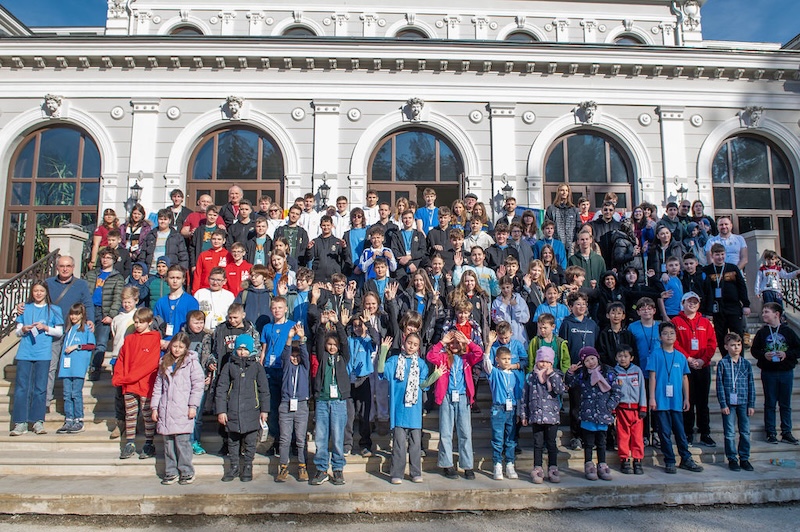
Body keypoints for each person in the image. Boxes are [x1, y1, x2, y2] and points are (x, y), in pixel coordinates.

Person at [378, 333, 442, 484]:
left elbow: (422, 385)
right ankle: (397, 474)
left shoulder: (421, 364)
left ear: (418, 348)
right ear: (404, 343)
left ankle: (415, 472)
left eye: (415, 344)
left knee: (415, 443)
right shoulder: (394, 361)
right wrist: (383, 350)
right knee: (399, 443)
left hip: (413, 409)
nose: (411, 346)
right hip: (398, 408)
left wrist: (435, 376)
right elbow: (381, 370)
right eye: (409, 343)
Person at [647, 322, 704, 474]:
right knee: (664, 432)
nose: (669, 336)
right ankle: (669, 460)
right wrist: (652, 398)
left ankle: (686, 458)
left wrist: (687, 398)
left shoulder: (680, 357)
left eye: (672, 333)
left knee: (680, 431)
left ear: (676, 336)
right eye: (665, 333)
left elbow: (685, 378)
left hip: (677, 401)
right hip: (661, 400)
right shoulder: (656, 354)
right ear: (660, 337)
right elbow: (652, 377)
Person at [427, 330, 483, 480]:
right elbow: (430, 356)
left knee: (465, 432)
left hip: (463, 397)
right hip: (447, 397)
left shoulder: (466, 358)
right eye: (452, 342)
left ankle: (467, 465)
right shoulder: (444, 357)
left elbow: (479, 353)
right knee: (446, 431)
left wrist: (468, 341)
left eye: (457, 342)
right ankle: (447, 464)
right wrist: (442, 342)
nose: (455, 345)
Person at [10, 282, 64, 437]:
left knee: (40, 388)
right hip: (25, 353)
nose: (38, 293)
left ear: (46, 292)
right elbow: (17, 331)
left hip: (43, 353)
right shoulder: (25, 308)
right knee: (22, 388)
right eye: (35, 291)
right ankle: (20, 422)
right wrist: (24, 329)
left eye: (41, 291)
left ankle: (37, 421)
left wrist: (46, 328)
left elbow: (59, 331)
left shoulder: (54, 309)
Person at [150, 332, 204, 485]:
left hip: (183, 408)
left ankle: (186, 471)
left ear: (186, 347)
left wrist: (193, 405)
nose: (177, 350)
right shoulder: (164, 362)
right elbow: (158, 387)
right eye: (174, 346)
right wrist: (155, 407)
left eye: (181, 347)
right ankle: (171, 471)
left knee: (182, 442)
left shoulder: (191, 362)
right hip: (166, 409)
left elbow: (198, 385)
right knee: (168, 444)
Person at [216, 334, 270, 482]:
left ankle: (247, 466)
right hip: (232, 410)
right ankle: (233, 467)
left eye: (246, 349)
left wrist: (264, 410)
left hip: (252, 410)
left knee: (250, 441)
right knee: (233, 442)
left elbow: (264, 390)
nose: (242, 352)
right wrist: (221, 410)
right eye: (240, 349)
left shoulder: (257, 367)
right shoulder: (229, 366)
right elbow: (221, 389)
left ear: (251, 350)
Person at [566, 346, 621, 481]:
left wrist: (610, 406)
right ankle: (589, 464)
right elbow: (571, 384)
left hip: (603, 413)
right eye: (587, 360)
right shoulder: (583, 375)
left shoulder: (608, 373)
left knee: (601, 442)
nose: (591, 362)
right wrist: (570, 373)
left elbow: (617, 391)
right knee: (589, 443)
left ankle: (602, 464)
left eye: (592, 358)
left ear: (597, 357)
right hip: (587, 414)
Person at [112, 307, 161, 460]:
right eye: (136, 322)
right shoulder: (130, 339)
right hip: (129, 384)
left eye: (141, 322)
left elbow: (151, 363)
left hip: (145, 383)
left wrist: (128, 378)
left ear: (149, 322)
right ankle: (130, 442)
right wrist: (118, 376)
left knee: (147, 414)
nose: (138, 325)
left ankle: (149, 442)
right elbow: (121, 358)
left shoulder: (154, 337)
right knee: (131, 414)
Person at [671, 291, 718, 447]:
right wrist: (688, 358)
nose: (692, 304)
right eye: (688, 301)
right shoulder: (676, 321)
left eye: (695, 302)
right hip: (685, 367)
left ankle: (705, 433)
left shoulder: (705, 322)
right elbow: (675, 343)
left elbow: (712, 344)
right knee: (687, 401)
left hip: (702, 366)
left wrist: (703, 360)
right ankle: (688, 433)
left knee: (703, 402)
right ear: (683, 303)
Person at [750, 302, 800, 445]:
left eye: (767, 312)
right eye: (763, 311)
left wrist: (786, 354)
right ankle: (771, 432)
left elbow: (798, 349)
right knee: (770, 403)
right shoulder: (762, 332)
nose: (764, 314)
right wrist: (764, 355)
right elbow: (754, 350)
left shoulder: (788, 331)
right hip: (769, 372)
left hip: (786, 372)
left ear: (776, 314)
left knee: (785, 404)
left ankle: (786, 431)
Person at [310, 312, 350, 486]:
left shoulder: (343, 358)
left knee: (338, 436)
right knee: (320, 436)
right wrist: (322, 325)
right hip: (322, 401)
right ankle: (321, 469)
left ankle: (338, 468)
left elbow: (345, 343)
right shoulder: (323, 356)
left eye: (335, 345)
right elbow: (318, 343)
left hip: (339, 401)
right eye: (329, 344)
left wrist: (338, 324)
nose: (332, 347)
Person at [520, 346, 565, 484]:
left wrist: (551, 375)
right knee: (538, 444)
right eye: (541, 361)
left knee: (551, 444)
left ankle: (553, 467)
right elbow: (524, 396)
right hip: (536, 415)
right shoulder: (531, 377)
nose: (543, 364)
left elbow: (560, 390)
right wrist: (523, 414)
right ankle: (537, 468)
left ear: (551, 363)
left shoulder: (556, 376)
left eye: (547, 361)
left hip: (551, 417)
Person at [482, 334, 522, 481]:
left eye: (509, 359)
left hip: (512, 409)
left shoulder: (515, 375)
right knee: (498, 438)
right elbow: (486, 362)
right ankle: (497, 464)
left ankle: (510, 464)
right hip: (498, 409)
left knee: (511, 439)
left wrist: (519, 412)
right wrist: (489, 345)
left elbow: (517, 394)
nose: (507, 362)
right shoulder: (495, 373)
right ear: (497, 360)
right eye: (504, 359)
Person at [275, 324, 311, 483]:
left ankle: (302, 466)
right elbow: (285, 354)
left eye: (298, 356)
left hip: (302, 405)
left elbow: (304, 353)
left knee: (301, 438)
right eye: (293, 355)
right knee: (284, 438)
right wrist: (290, 338)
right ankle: (283, 466)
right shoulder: (287, 366)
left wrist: (302, 339)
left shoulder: (304, 367)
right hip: (286, 404)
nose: (295, 358)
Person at [715, 333, 756, 472]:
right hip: (729, 403)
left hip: (743, 401)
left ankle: (744, 458)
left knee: (745, 431)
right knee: (730, 432)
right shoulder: (723, 363)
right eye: (732, 345)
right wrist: (723, 404)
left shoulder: (746, 364)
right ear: (726, 347)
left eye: (738, 345)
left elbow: (751, 384)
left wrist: (751, 404)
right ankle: (732, 458)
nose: (736, 347)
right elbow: (719, 385)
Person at [55, 303, 95, 435]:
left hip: (78, 367)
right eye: (72, 314)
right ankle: (69, 419)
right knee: (67, 394)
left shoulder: (86, 329)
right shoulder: (69, 330)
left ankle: (79, 419)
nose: (73, 316)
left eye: (77, 314)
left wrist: (77, 346)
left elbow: (91, 345)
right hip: (67, 366)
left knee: (75, 393)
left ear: (82, 315)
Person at [85, 247, 124, 381]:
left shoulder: (117, 277)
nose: (105, 260)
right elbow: (84, 293)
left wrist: (112, 315)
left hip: (104, 313)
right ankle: (86, 366)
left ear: (113, 260)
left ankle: (95, 368)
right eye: (103, 257)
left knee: (101, 343)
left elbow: (118, 298)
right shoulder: (91, 275)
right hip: (90, 311)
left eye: (108, 257)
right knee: (87, 341)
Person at [704, 243, 750, 356]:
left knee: (737, 334)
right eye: (717, 254)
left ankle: (739, 359)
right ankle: (726, 359)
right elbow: (705, 291)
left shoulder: (733, 268)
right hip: (717, 308)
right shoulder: (707, 270)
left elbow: (742, 287)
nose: (720, 257)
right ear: (712, 255)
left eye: (722, 254)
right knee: (721, 335)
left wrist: (746, 304)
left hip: (733, 307)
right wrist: (708, 311)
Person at [182, 310, 215, 455]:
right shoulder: (182, 337)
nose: (199, 325)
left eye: (201, 322)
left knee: (197, 415)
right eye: (196, 322)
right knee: (184, 414)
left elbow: (210, 356)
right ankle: (184, 441)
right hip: (183, 381)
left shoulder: (207, 338)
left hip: (199, 381)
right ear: (189, 322)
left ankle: (195, 441)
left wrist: (210, 368)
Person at [614, 344, 647, 475]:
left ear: (631, 358)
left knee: (637, 437)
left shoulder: (637, 371)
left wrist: (643, 407)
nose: (623, 359)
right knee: (623, 436)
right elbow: (613, 391)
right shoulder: (614, 372)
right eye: (620, 356)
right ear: (616, 357)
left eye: (626, 356)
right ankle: (624, 459)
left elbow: (642, 390)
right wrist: (613, 409)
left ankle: (637, 460)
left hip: (636, 410)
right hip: (621, 409)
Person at [153, 265, 199, 349]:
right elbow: (155, 325)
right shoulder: (161, 302)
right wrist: (159, 341)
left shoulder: (191, 302)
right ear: (167, 279)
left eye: (178, 278)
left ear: (183, 280)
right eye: (172, 278)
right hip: (163, 345)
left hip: (182, 346)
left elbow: (193, 327)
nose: (175, 281)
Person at [140, 208, 190, 274]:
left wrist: (180, 272)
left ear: (169, 221)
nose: (163, 221)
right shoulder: (151, 235)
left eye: (165, 219)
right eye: (161, 219)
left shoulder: (176, 236)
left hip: (170, 273)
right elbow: (143, 255)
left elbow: (183, 257)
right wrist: (143, 272)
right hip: (152, 272)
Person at [306, 215, 349, 284]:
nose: (326, 227)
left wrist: (344, 248)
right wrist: (308, 249)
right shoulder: (315, 241)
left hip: (334, 277)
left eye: (328, 225)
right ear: (320, 226)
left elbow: (345, 257)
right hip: (319, 277)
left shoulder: (337, 242)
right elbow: (309, 257)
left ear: (332, 226)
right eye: (324, 225)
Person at [391, 209, 428, 287]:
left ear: (413, 219)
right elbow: (394, 250)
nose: (407, 220)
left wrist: (410, 257)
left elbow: (423, 250)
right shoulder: (396, 235)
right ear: (402, 220)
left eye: (410, 218)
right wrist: (408, 263)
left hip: (416, 267)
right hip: (401, 268)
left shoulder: (419, 235)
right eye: (405, 218)